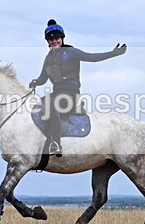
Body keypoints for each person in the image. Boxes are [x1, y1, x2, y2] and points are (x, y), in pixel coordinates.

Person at [29, 19, 127, 156]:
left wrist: (112, 53)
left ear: (62, 38)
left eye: (56, 38)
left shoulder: (71, 52)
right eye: (50, 40)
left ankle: (56, 143)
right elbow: (43, 78)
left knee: (50, 107)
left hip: (70, 94)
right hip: (56, 93)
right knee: (38, 106)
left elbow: (92, 57)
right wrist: (35, 82)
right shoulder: (48, 58)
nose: (54, 41)